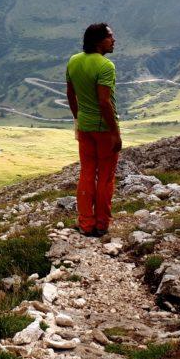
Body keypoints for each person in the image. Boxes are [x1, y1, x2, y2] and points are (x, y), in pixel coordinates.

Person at [65, 23, 121, 237]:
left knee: (87, 173)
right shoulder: (106, 66)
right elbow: (104, 102)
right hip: (104, 129)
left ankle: (85, 223)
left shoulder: (73, 61)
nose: (114, 40)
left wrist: (78, 118)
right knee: (106, 176)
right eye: (110, 37)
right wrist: (115, 133)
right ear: (99, 41)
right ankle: (101, 224)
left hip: (85, 126)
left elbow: (71, 94)